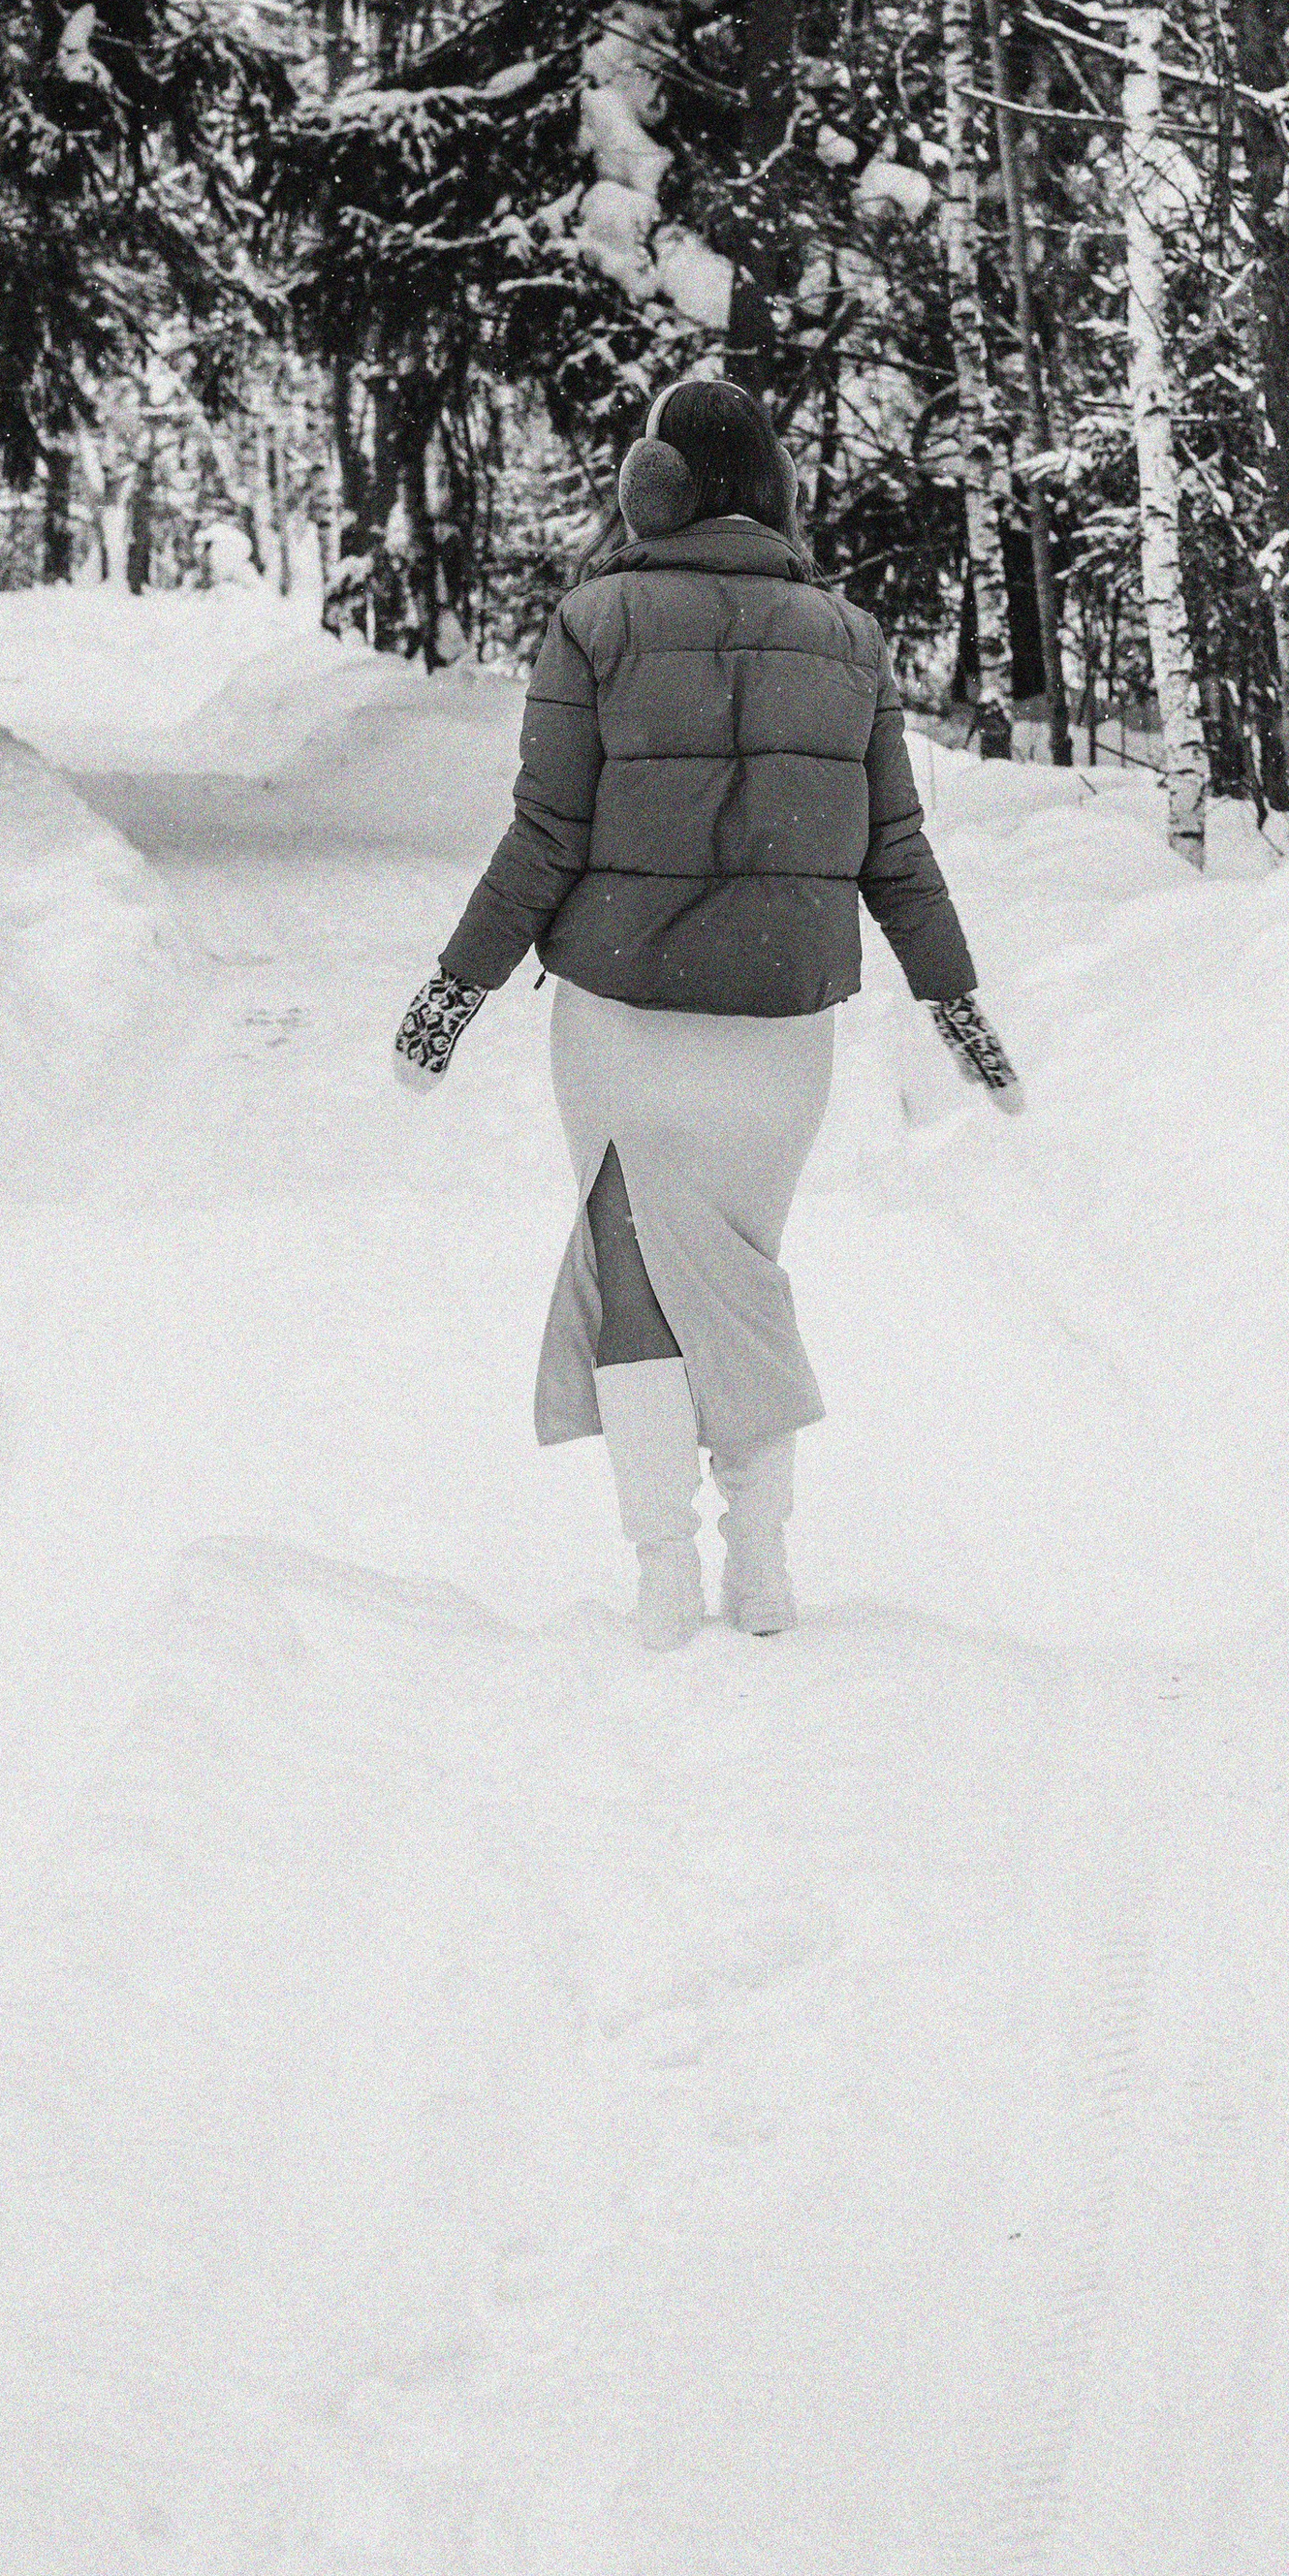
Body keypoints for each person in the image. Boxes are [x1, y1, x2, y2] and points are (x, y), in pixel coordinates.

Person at [391, 377, 1022, 1649]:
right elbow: (896, 854)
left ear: (653, 487)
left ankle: (666, 1574)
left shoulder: (594, 623)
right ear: (774, 485)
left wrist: (453, 992)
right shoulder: (848, 639)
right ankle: (764, 1562)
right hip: (782, 1038)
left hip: (623, 1021)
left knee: (637, 1286)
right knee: (742, 1280)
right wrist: (957, 1008)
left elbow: (545, 836)